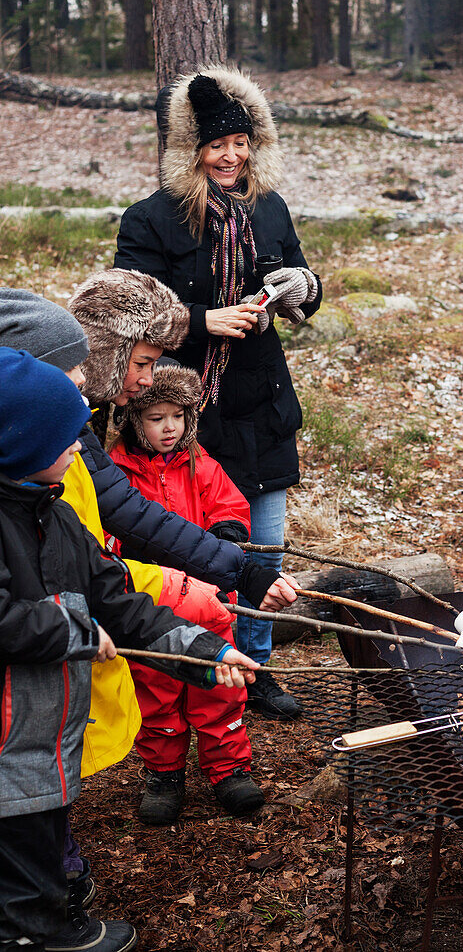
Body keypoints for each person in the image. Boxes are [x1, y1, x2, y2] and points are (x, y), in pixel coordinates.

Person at [0, 285, 298, 927]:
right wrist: (72, 626)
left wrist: (210, 640)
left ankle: (53, 899)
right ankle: (37, 922)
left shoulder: (48, 497)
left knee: (38, 817)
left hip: (45, 709)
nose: (82, 436)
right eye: (138, 363)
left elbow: (113, 581)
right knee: (18, 828)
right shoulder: (33, 487)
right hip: (18, 707)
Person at [114, 67, 322, 719]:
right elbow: (129, 308)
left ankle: (255, 669)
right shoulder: (150, 219)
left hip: (260, 402)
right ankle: (191, 662)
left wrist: (300, 289)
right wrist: (202, 320)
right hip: (186, 413)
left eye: (240, 143)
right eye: (216, 145)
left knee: (263, 548)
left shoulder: (270, 207)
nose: (230, 156)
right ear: (190, 151)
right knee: (193, 546)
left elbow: (303, 284)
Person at [108, 364, 295, 822]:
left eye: (177, 416)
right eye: (156, 418)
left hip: (211, 601)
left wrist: (228, 535)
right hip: (151, 605)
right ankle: (164, 773)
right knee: (156, 688)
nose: (169, 427)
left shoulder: (201, 463)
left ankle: (229, 769)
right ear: (134, 420)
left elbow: (230, 505)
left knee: (221, 687)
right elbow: (103, 532)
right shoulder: (114, 471)